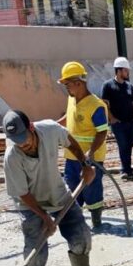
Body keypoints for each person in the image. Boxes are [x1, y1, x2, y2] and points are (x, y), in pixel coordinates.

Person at [2, 109, 105, 266]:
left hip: (57, 194)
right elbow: (23, 193)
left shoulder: (50, 129)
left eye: (25, 139)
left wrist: (85, 164)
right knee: (36, 250)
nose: (23, 145)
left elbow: (70, 141)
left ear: (31, 127)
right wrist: (44, 218)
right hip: (30, 204)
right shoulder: (12, 157)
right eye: (17, 142)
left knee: (81, 236)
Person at [57, 61, 109, 228]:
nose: (66, 87)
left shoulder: (96, 106)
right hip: (72, 156)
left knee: (92, 189)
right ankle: (76, 224)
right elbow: (68, 117)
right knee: (72, 189)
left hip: (90, 159)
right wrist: (53, 126)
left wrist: (91, 153)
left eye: (67, 84)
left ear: (78, 83)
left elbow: (102, 132)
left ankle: (96, 221)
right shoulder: (71, 99)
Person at [101, 56, 133, 181]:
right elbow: (105, 104)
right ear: (118, 71)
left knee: (130, 143)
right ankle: (125, 170)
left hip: (130, 121)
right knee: (123, 145)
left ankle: (128, 169)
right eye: (125, 70)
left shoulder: (129, 86)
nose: (127, 73)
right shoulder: (108, 86)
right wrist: (111, 118)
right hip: (118, 123)